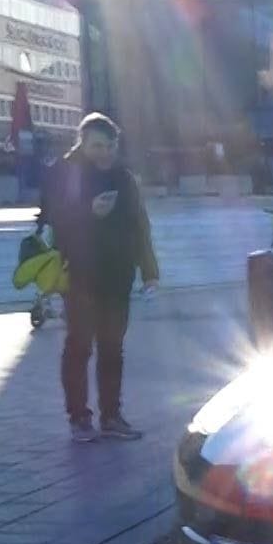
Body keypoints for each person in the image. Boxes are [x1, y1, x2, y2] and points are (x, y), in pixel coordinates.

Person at [41, 113, 160, 443]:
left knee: (112, 349)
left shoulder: (123, 177)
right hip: (79, 276)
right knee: (78, 347)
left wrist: (149, 272)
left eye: (109, 146)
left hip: (117, 277)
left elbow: (140, 226)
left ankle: (111, 415)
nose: (104, 153)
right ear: (82, 142)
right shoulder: (65, 173)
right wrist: (88, 212)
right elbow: (54, 220)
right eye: (97, 146)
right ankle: (79, 417)